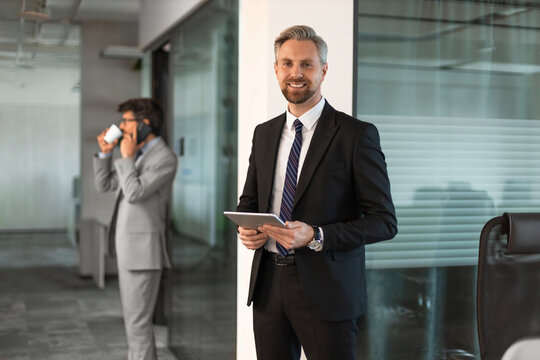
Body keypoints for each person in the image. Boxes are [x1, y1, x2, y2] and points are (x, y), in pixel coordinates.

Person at [236, 25, 397, 360]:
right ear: (276, 69)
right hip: (268, 283)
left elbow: (384, 222)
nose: (296, 73)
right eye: (288, 64)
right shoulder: (263, 134)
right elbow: (249, 202)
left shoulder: (355, 135)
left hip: (329, 289)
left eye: (307, 64)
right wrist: (248, 230)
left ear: (323, 70)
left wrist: (316, 234)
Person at [94, 98, 178, 360]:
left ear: (143, 124)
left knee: (138, 326)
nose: (120, 126)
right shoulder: (139, 154)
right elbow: (104, 185)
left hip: (143, 254)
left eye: (126, 121)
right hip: (130, 250)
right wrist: (107, 153)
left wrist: (127, 157)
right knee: (137, 326)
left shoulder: (163, 157)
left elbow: (133, 192)